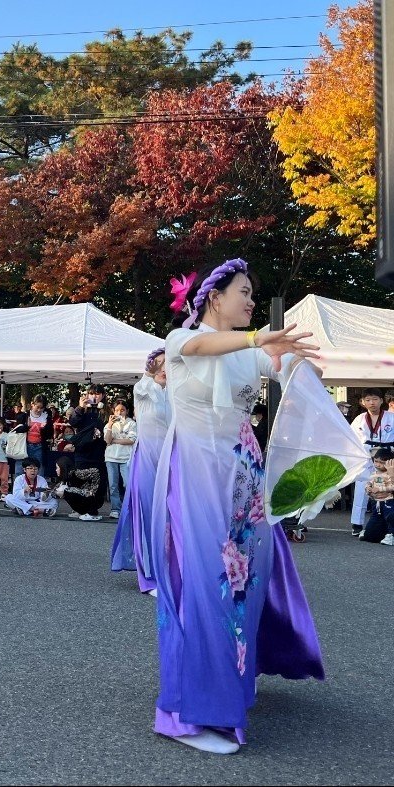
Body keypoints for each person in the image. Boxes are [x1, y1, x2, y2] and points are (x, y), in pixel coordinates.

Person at [153, 258, 324, 755]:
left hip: (244, 478)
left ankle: (234, 689)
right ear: (214, 297)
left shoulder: (250, 353)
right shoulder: (180, 340)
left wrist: (297, 361)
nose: (251, 301)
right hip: (198, 477)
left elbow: (288, 374)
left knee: (245, 585)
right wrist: (260, 341)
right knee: (209, 585)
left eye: (252, 293)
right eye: (244, 292)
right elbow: (208, 346)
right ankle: (190, 713)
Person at [111, 348, 168, 595]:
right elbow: (145, 380)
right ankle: (149, 577)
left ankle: (169, 572)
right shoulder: (142, 390)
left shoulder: (176, 393)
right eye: (161, 363)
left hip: (170, 460)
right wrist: (149, 371)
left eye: (170, 363)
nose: (166, 368)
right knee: (147, 516)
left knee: (170, 518)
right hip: (146, 459)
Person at [349, 388, 394, 536]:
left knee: (386, 489)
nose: (371, 403)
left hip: (386, 457)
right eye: (367, 400)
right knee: (362, 488)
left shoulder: (391, 417)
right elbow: (351, 439)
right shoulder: (359, 419)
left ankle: (388, 524)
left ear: (381, 401)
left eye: (375, 399)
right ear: (362, 402)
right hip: (365, 457)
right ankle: (357, 523)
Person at [69, 384, 108, 514]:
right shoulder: (82, 410)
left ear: (102, 396)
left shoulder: (106, 411)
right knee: (80, 478)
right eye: (92, 393)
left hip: (98, 452)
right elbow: (73, 422)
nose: (94, 396)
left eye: (97, 394)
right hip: (82, 451)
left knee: (98, 481)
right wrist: (80, 407)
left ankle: (93, 507)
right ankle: (78, 507)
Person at [103, 399, 137, 519]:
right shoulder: (109, 424)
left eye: (122, 410)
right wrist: (110, 425)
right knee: (113, 485)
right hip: (111, 458)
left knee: (128, 483)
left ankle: (129, 508)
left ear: (127, 411)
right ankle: (115, 509)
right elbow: (107, 440)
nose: (119, 412)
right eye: (117, 410)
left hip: (126, 458)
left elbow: (131, 440)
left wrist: (115, 441)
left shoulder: (131, 423)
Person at [359, 448, 394, 544]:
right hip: (377, 503)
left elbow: (392, 486)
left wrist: (380, 489)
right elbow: (369, 482)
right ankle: (378, 532)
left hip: (389, 501)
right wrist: (368, 489)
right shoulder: (375, 473)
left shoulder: (390, 473)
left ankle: (392, 534)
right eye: (376, 461)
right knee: (369, 536)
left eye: (382, 462)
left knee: (390, 517)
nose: (378, 464)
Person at [52, 455, 101, 520]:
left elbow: (95, 471)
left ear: (63, 467)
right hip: (83, 497)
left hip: (91, 499)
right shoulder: (64, 480)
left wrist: (93, 490)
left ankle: (91, 513)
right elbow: (54, 491)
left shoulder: (76, 473)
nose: (56, 470)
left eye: (57, 468)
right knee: (62, 490)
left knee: (66, 490)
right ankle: (81, 512)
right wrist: (50, 492)